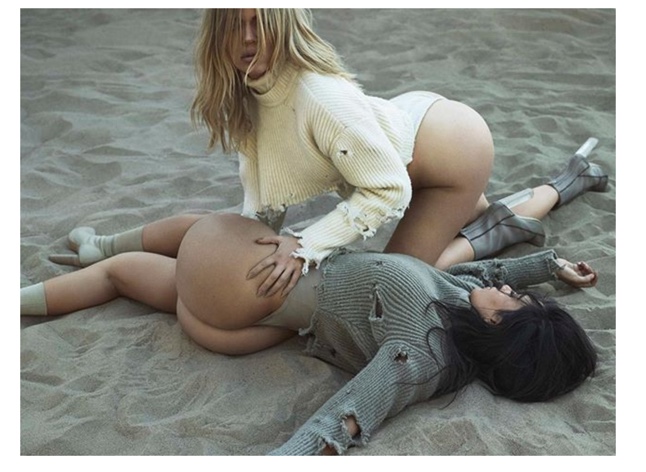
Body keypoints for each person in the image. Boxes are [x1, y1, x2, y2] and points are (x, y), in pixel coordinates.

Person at [46, 8, 608, 299]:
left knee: (404, 276)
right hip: (399, 136)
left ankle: (530, 208)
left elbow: (389, 190)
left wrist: (306, 247)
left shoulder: (317, 96)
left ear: (282, 25)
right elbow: (261, 197)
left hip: (449, 154)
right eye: (236, 25)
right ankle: (572, 179)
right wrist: (246, 249)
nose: (248, 38)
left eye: (259, 23)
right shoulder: (247, 95)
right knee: (473, 220)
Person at [21, 205, 599, 455]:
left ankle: (98, 246)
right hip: (253, 323)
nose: (510, 291)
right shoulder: (457, 314)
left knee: (204, 224)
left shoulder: (418, 356)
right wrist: (549, 267)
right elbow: (486, 275)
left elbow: (349, 415)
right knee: (125, 276)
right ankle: (91, 257)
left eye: (516, 301)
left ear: (500, 323)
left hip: (245, 287)